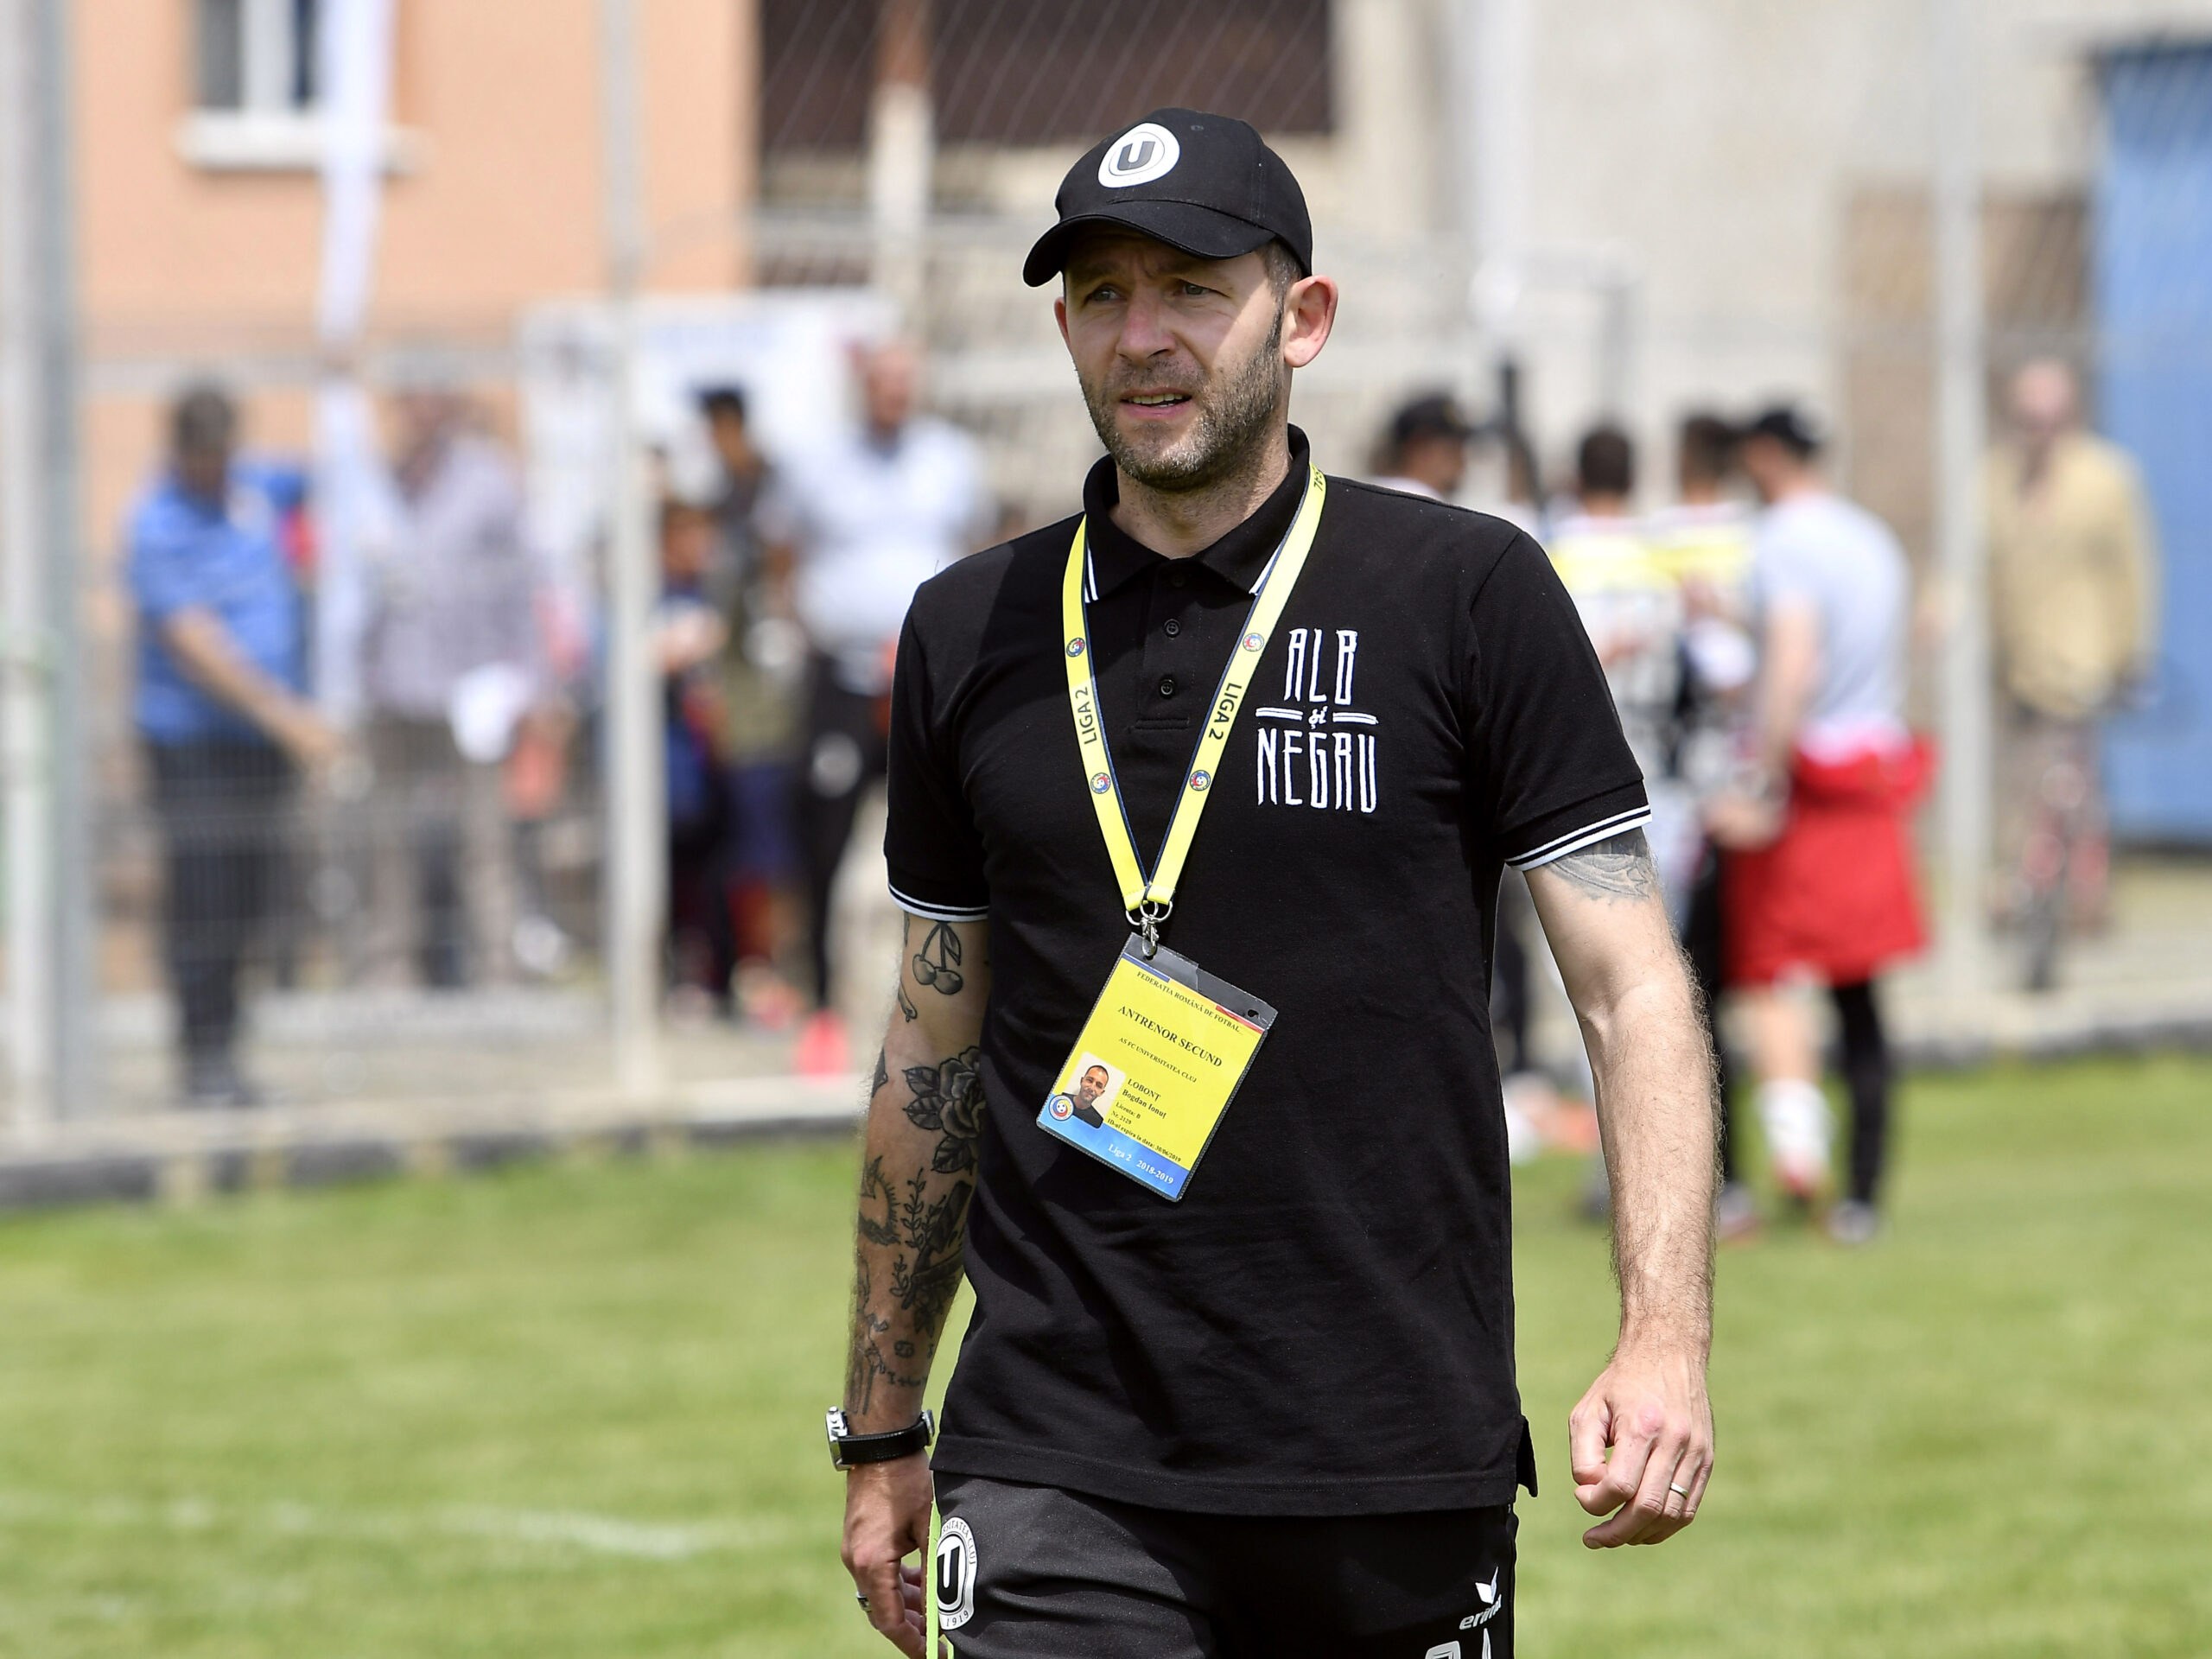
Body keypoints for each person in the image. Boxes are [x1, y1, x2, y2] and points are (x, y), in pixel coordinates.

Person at [836, 109, 1717, 1659]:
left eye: (1191, 287)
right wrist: (883, 1422)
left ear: (1302, 318)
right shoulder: (966, 626)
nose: (1144, 336)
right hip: (1056, 1459)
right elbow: (935, 1045)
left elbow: (1630, 985)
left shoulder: (1466, 593)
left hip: (1389, 1450)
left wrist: (1665, 1339)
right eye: (1101, 294)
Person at [1705, 406, 1929, 1247]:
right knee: (1859, 995)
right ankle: (1862, 1196)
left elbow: (1795, 659)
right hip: (1871, 780)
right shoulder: (1872, 538)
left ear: (1764, 456)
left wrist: (1758, 779)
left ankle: (1736, 1182)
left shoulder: (1782, 542)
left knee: (1730, 975)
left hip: (1805, 793)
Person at [759, 340, 988, 1072]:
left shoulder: (951, 460)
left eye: (904, 381)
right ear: (862, 386)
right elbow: (781, 554)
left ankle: (958, 1002)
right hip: (843, 677)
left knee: (958, 835)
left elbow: (977, 551)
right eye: (881, 382)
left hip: (930, 678)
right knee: (823, 838)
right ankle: (820, 1005)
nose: (894, 393)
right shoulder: (817, 464)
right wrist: (803, 631)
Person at [127, 385, 340, 1106]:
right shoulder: (156, 523)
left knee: (251, 897)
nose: (214, 472)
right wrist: (286, 716)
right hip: (193, 744)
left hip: (261, 745)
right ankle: (202, 1057)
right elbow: (195, 643)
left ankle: (231, 1053)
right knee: (203, 899)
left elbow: (336, 474)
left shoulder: (258, 490)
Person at [359, 388, 546, 988]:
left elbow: (523, 581)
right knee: (390, 841)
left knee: (484, 839)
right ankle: (391, 968)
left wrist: (529, 680)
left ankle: (498, 967)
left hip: (472, 688)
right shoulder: (376, 482)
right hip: (392, 683)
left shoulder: (487, 483)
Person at [1985, 359, 2160, 989]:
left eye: (2050, 419)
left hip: (2083, 663)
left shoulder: (2107, 478)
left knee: (2061, 783)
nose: (2040, 433)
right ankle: (2042, 895)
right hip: (2017, 666)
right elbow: (1969, 558)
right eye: (2028, 419)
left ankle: (2070, 892)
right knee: (2028, 790)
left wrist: (2132, 654)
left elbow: (2134, 569)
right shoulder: (1995, 479)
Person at [1647, 412, 1760, 1239]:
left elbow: (1712, 673)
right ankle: (1731, 1176)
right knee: (1723, 991)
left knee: (1689, 992)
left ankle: (1722, 1179)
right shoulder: (1752, 540)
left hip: (1694, 798)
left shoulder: (1671, 540)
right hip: (1746, 792)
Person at [1370, 392, 1471, 500]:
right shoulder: (1425, 504)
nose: (1461, 460)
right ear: (1419, 446)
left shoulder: (1363, 493)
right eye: (1452, 450)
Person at [1045, 1063, 1112, 1128]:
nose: (1091, 1088)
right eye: (1089, 1080)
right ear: (1082, 1081)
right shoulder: (1059, 1099)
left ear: (1101, 1092)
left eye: (1098, 1085)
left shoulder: (1098, 1122)